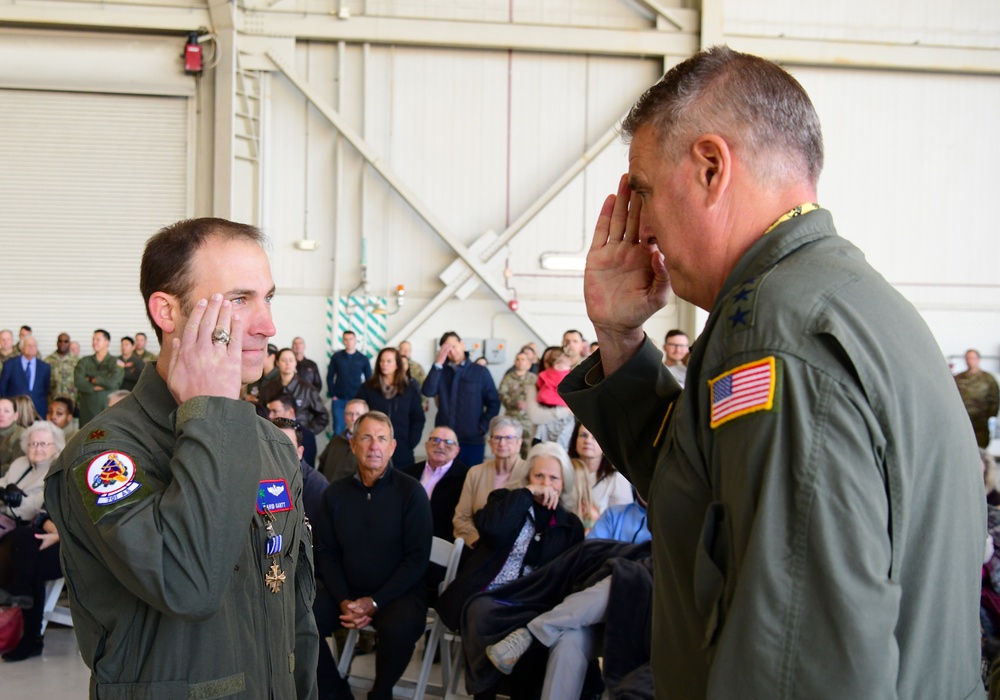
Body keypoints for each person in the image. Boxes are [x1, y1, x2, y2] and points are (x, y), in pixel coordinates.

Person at [559, 46, 985, 698]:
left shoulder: (771, 337)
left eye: (642, 189)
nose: (639, 225)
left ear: (709, 167)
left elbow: (795, 666)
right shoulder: (850, 301)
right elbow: (710, 499)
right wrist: (619, 339)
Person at [45, 217, 318, 698]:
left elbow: (294, 610)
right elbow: (188, 583)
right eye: (239, 300)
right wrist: (211, 412)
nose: (268, 325)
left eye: (268, 297)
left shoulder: (272, 445)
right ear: (167, 312)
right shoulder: (105, 455)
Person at [312, 410, 433, 700]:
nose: (374, 446)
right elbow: (326, 553)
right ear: (353, 444)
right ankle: (336, 691)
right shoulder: (335, 494)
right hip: (346, 592)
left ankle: (381, 692)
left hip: (398, 593)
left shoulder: (411, 492)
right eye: (366, 437)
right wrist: (344, 599)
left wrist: (375, 602)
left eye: (382, 439)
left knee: (400, 629)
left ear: (392, 447)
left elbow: (417, 558)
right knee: (299, 619)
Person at [436, 441, 584, 633]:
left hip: (535, 603)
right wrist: (527, 493)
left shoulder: (570, 525)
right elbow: (492, 531)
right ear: (528, 477)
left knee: (533, 630)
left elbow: (566, 576)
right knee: (485, 616)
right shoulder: (503, 499)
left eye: (554, 478)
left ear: (564, 483)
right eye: (538, 476)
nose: (545, 484)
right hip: (487, 593)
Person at [422, 331, 501, 467]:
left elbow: (494, 402)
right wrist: (438, 363)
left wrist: (482, 427)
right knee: (444, 482)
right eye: (447, 349)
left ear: (462, 344)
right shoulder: (441, 371)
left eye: (454, 346)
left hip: (472, 440)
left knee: (471, 479)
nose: (452, 351)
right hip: (444, 441)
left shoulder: (480, 372)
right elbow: (428, 391)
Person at [453, 416, 525, 547]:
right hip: (478, 546)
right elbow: (461, 518)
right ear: (490, 443)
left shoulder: (529, 474)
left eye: (508, 438)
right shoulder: (475, 472)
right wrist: (477, 541)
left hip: (515, 549)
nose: (502, 443)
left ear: (519, 443)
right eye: (497, 438)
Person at [355, 347, 425, 469]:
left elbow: (418, 418)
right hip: (374, 448)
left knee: (402, 485)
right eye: (382, 361)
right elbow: (359, 417)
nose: (384, 364)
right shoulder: (367, 388)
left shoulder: (409, 388)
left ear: (397, 364)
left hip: (402, 448)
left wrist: (411, 441)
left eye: (388, 361)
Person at [259, 347, 329, 467]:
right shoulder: (268, 388)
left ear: (296, 362)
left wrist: (308, 432)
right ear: (277, 363)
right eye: (284, 360)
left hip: (301, 441)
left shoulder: (307, 389)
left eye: (291, 360)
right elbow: (261, 413)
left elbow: (323, 416)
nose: (288, 364)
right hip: (272, 439)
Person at [1, 420, 64, 527]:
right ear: (27, 445)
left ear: (56, 446)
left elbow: (37, 506)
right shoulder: (19, 462)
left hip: (25, 526)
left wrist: (15, 500)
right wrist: (3, 493)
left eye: (43, 444)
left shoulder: (57, 471)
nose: (38, 449)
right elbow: (2, 483)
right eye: (33, 444)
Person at [271, 416, 329, 524]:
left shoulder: (317, 486)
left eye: (287, 446)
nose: (279, 453)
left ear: (300, 452)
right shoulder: (256, 479)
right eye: (273, 445)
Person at [568, 421, 632, 516]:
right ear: (575, 441)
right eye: (583, 435)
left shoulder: (616, 479)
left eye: (595, 437)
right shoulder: (564, 472)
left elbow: (622, 520)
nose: (588, 441)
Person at [73, 329, 124, 427]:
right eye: (93, 339)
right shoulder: (84, 361)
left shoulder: (116, 362)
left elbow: (113, 382)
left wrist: (92, 380)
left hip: (108, 408)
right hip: (87, 410)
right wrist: (95, 387)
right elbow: (78, 381)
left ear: (107, 342)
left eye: (98, 339)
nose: (94, 342)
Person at [326, 330, 373, 436]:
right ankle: (337, 452)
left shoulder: (363, 359)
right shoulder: (337, 357)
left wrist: (365, 398)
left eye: (351, 339)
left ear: (355, 340)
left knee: (359, 430)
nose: (349, 342)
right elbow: (330, 377)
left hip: (357, 400)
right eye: (346, 339)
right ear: (343, 341)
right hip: (339, 399)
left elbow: (369, 380)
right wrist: (333, 395)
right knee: (338, 430)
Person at [956, 349, 1000, 449]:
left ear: (978, 359)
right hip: (963, 420)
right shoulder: (958, 378)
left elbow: (995, 399)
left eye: (972, 358)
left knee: (981, 448)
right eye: (967, 358)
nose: (969, 361)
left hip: (981, 422)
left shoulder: (988, 378)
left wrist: (991, 417)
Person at [317, 397, 367, 483]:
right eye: (350, 414)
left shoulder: (372, 446)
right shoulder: (334, 443)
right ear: (344, 417)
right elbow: (320, 471)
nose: (354, 418)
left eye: (358, 414)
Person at [533, 348, 575, 447]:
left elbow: (539, 383)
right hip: (562, 405)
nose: (569, 368)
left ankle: (538, 438)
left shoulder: (544, 374)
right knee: (564, 432)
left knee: (543, 427)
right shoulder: (566, 376)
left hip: (545, 403)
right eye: (567, 366)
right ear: (557, 365)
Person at [0, 336, 50, 418]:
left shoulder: (45, 367)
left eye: (34, 346)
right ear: (21, 347)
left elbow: (46, 389)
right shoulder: (9, 365)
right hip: (15, 409)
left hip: (38, 410)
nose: (31, 348)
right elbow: (3, 388)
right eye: (28, 345)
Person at [498, 350, 536, 455]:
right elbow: (502, 394)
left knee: (527, 450)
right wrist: (514, 403)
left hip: (528, 421)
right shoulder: (508, 378)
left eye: (523, 359)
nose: (520, 362)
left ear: (529, 363)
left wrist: (527, 404)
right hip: (511, 419)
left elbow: (539, 396)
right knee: (510, 448)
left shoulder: (533, 378)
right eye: (518, 359)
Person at [0, 396, 36, 477]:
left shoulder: (22, 435)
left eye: (6, 411)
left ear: (15, 416)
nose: (1, 414)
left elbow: (17, 467)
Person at [44, 332, 78, 409]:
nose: (62, 343)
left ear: (69, 343)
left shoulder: (76, 361)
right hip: (52, 401)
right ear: (57, 342)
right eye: (60, 341)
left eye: (66, 341)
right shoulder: (48, 360)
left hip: (71, 401)